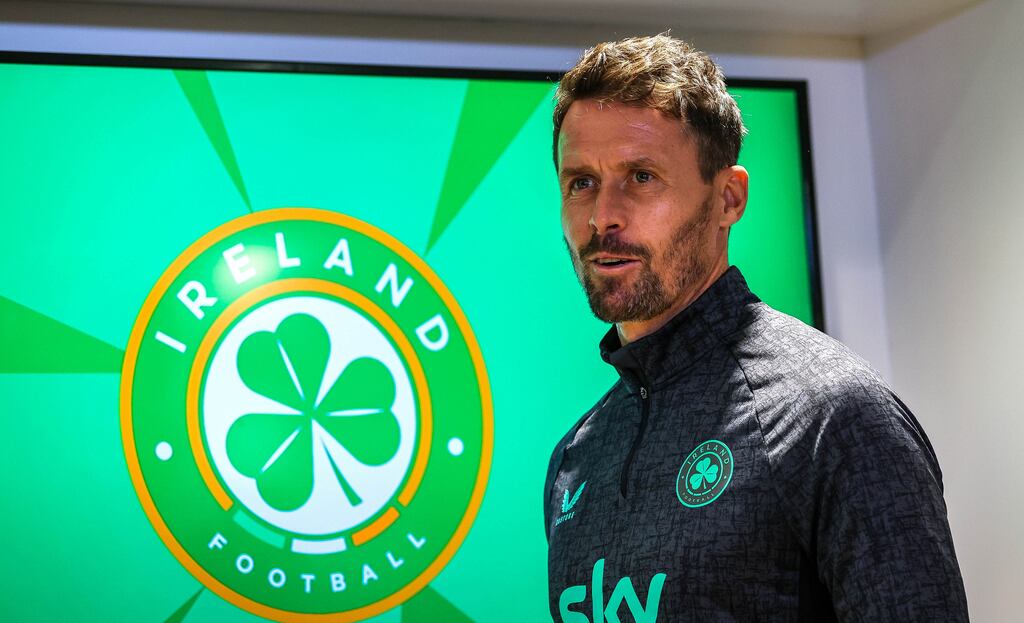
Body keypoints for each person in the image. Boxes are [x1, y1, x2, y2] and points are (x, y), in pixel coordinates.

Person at [543, 34, 968, 622]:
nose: (602, 216)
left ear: (728, 198)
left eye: (641, 177)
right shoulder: (576, 457)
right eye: (581, 182)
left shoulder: (829, 415)